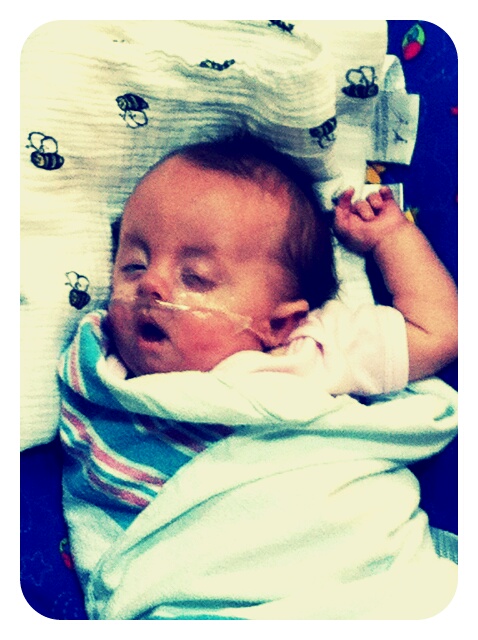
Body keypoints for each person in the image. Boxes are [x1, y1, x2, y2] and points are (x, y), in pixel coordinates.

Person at [58, 134, 458, 619]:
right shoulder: (99, 372)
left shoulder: (308, 350)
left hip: (349, 568)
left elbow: (439, 332)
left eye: (195, 277)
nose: (151, 284)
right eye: (133, 265)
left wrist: (391, 238)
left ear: (279, 323)